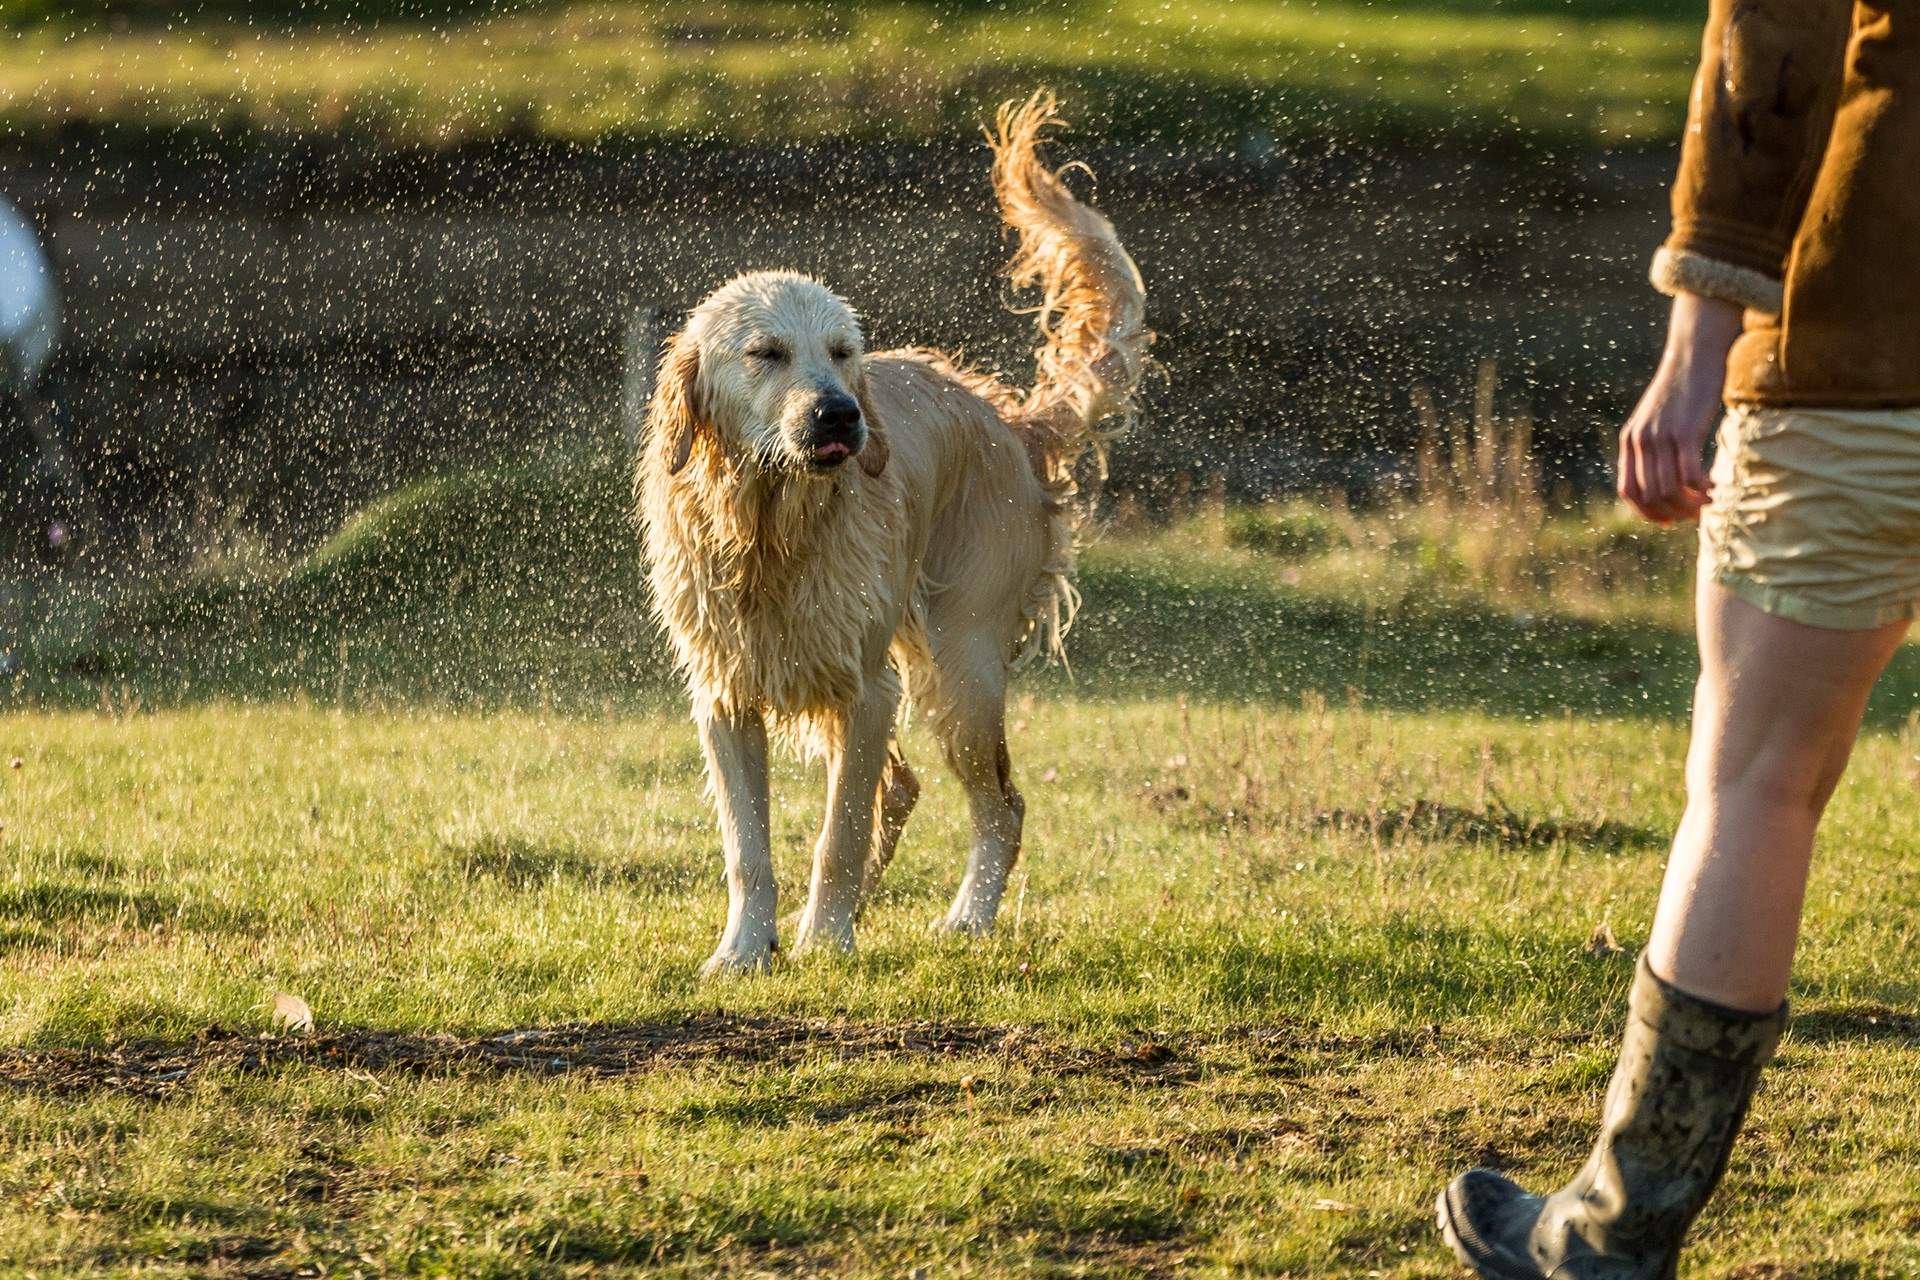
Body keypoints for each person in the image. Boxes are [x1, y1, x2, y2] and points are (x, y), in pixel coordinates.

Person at [1438, 1, 1917, 1275]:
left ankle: (1612, 1234)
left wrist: (1697, 337)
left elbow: (1775, 41)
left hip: (1862, 351)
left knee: (1758, 780)